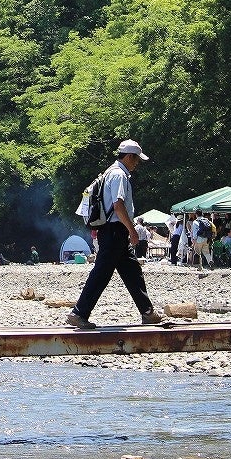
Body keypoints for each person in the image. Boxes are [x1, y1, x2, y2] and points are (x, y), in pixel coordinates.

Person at [67, 140, 165, 329]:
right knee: (102, 273)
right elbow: (118, 206)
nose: (137, 164)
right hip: (115, 230)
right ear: (129, 157)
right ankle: (78, 313)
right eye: (136, 160)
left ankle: (147, 311)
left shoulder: (110, 172)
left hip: (111, 231)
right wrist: (132, 230)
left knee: (132, 271)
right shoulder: (120, 175)